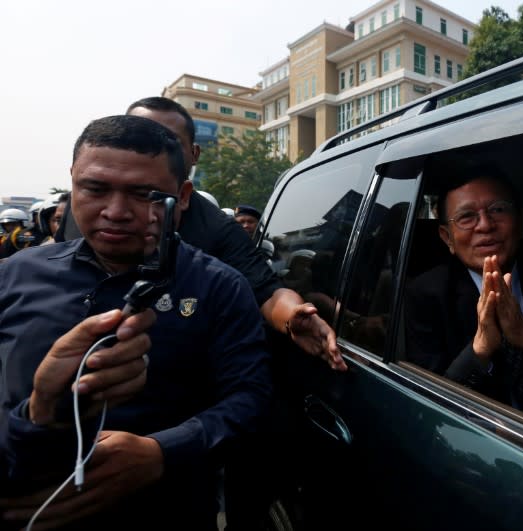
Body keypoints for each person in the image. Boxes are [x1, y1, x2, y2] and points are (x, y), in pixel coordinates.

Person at [0, 115, 273, 531]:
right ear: (72, 182)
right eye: (94, 188)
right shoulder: (14, 275)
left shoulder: (220, 287)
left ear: (182, 197)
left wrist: (162, 452)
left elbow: (249, 399)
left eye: (145, 195)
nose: (115, 212)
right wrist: (34, 419)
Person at [56, 96, 345, 371]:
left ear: (192, 157)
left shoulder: (216, 233)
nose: (115, 213)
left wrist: (293, 316)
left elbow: (267, 293)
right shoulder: (68, 225)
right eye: (135, 136)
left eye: (168, 141)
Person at [405, 168, 523, 423]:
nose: (486, 225)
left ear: (520, 220)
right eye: (467, 216)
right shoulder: (426, 295)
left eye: (498, 210)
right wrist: (479, 349)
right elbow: (430, 409)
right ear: (448, 238)